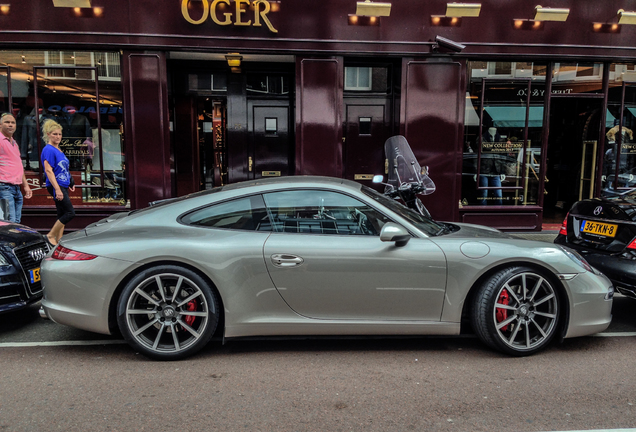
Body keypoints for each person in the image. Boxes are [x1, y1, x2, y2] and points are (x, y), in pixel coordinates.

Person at [41, 119, 75, 245]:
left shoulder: (58, 149)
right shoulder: (49, 149)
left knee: (62, 213)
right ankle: (50, 235)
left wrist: (71, 182)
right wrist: (57, 189)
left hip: (63, 185)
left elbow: (63, 168)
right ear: (48, 134)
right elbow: (49, 170)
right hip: (56, 185)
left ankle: (58, 240)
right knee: (70, 212)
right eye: (54, 134)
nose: (58, 136)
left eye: (59, 134)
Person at [0, 112, 32, 222]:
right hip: (4, 187)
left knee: (16, 222)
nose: (10, 125)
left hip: (16, 188)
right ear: (0, 125)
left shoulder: (14, 142)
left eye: (13, 123)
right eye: (7, 122)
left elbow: (19, 165)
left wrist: (26, 185)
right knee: (9, 222)